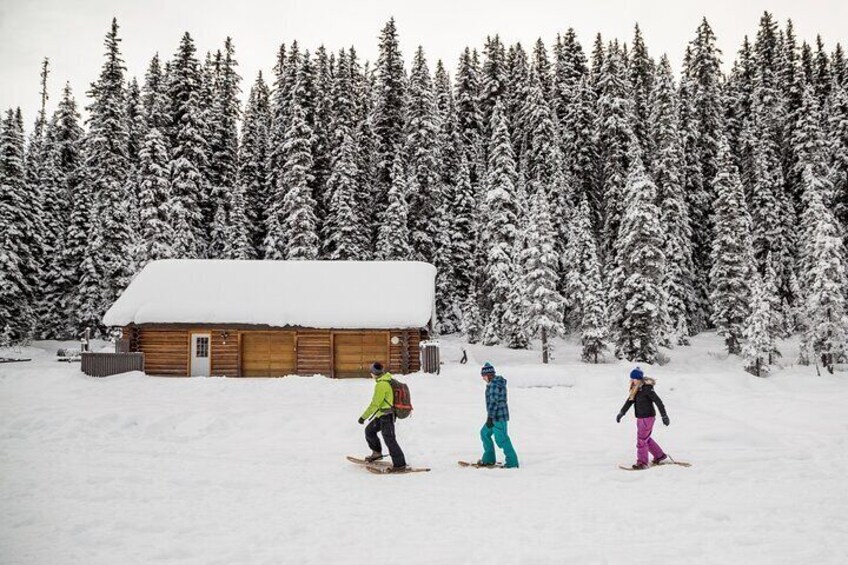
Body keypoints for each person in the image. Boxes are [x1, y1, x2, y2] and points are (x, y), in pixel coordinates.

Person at [616, 367, 670, 469]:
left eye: (634, 379)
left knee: (641, 440)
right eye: (631, 379)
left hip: (647, 417)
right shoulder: (636, 389)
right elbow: (629, 401)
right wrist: (621, 413)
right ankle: (660, 456)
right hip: (641, 418)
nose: (632, 380)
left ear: (639, 379)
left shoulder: (647, 389)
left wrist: (664, 415)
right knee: (646, 439)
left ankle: (642, 462)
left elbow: (658, 402)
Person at [358, 362, 407, 471]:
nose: (370, 374)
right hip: (381, 415)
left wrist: (363, 417)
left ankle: (400, 464)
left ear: (374, 374)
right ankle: (377, 453)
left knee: (389, 439)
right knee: (369, 431)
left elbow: (375, 404)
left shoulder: (381, 385)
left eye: (371, 372)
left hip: (387, 416)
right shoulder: (385, 381)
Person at [479, 362, 519, 468]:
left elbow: (493, 402)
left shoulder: (494, 385)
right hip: (494, 416)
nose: (483, 378)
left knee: (502, 439)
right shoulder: (494, 383)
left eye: (483, 376)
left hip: (498, 417)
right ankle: (489, 459)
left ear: (489, 375)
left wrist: (490, 418)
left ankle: (512, 462)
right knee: (484, 433)